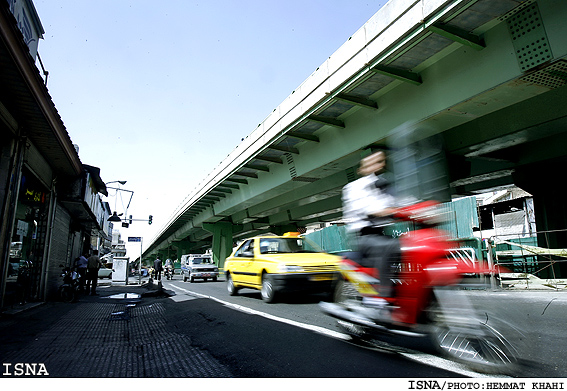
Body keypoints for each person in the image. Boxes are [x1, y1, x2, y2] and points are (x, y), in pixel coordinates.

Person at [342, 150, 401, 299]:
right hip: (365, 237)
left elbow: (403, 201)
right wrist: (390, 211)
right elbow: (368, 209)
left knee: (412, 246)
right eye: (372, 163)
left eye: (381, 161)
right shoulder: (354, 188)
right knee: (389, 247)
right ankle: (382, 296)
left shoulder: (387, 184)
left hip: (383, 234)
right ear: (362, 169)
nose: (378, 165)